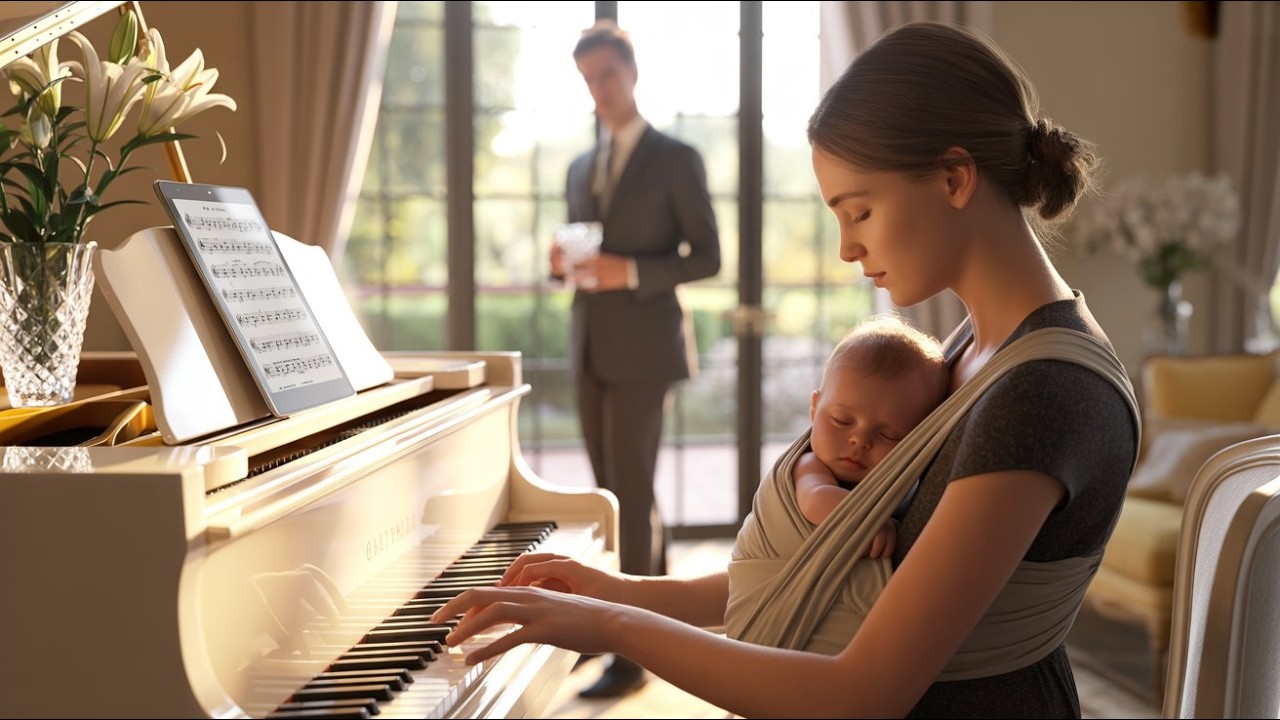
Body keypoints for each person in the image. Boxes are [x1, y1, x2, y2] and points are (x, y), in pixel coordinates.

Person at [433, 20, 1140, 718]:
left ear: (955, 178)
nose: (846, 249)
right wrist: (614, 591)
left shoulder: (1042, 390)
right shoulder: (969, 351)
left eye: (858, 211)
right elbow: (823, 576)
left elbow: (862, 692)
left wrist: (616, 629)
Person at [549, 18, 721, 699]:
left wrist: (632, 273)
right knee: (616, 492)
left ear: (633, 73)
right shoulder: (579, 167)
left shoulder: (676, 158)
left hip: (647, 351)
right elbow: (580, 261)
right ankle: (659, 612)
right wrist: (560, 265)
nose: (599, 91)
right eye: (588, 80)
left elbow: (707, 257)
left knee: (629, 491)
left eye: (608, 76)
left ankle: (632, 653)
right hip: (589, 346)